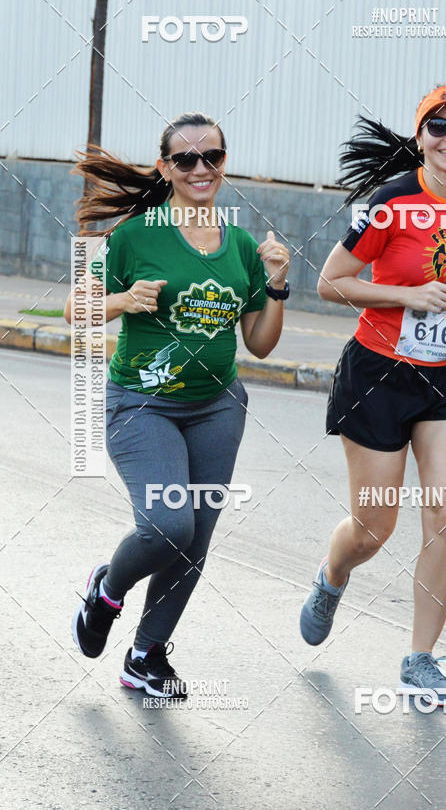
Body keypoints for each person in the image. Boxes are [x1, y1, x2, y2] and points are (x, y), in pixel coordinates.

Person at [65, 112, 290, 696]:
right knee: (168, 525)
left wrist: (277, 286)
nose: (200, 169)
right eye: (185, 159)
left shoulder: (241, 246)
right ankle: (107, 591)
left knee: (195, 540)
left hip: (218, 406)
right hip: (142, 404)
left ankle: (145, 656)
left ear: (223, 163)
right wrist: (123, 300)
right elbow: (73, 312)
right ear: (165, 167)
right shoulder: (135, 236)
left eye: (210, 157)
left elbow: (261, 345)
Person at [299, 84, 446, 706]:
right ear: (421, 137)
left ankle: (420, 660)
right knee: (373, 527)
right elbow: (330, 281)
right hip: (380, 374)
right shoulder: (389, 202)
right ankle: (333, 576)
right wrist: (408, 297)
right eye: (437, 127)